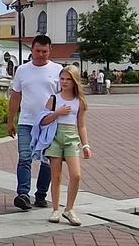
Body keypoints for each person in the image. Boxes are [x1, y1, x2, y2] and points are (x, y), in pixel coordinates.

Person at [7, 34, 61, 210]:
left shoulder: (58, 70)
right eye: (38, 51)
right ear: (32, 51)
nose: (41, 54)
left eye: (44, 51)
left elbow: (63, 97)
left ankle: (41, 194)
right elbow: (15, 96)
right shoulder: (22, 70)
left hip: (48, 122)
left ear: (50, 51)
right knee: (24, 157)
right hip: (27, 121)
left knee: (46, 160)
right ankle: (23, 194)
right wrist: (10, 120)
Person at [38, 64, 93, 225]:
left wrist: (86, 145)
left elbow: (81, 125)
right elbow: (43, 121)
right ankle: (55, 209)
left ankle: (69, 209)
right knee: (56, 176)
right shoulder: (54, 98)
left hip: (71, 137)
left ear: (75, 81)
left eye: (68, 79)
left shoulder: (79, 101)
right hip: (55, 137)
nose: (64, 82)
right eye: (62, 79)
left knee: (76, 175)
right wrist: (57, 113)